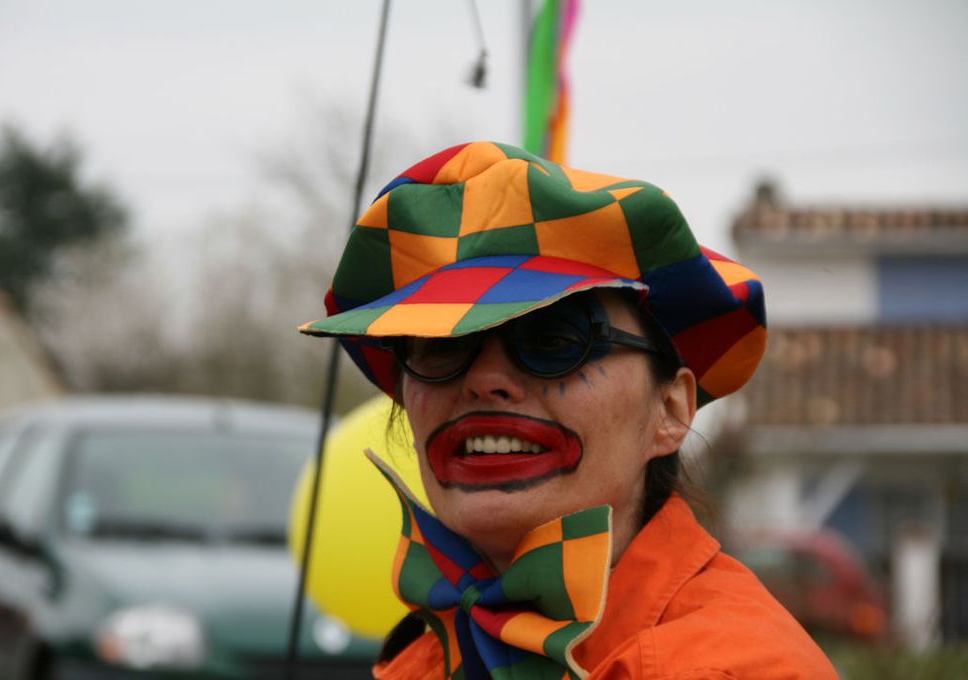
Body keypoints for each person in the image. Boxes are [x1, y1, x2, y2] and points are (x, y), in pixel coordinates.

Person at [301, 141, 838, 679]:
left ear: (670, 410)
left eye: (556, 340)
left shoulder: (739, 667)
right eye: (443, 344)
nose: (485, 381)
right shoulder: (418, 664)